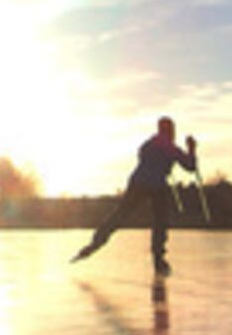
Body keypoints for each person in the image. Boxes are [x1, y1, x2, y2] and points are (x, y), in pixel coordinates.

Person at [72, 116, 198, 276]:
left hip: (138, 182)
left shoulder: (148, 144)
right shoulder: (171, 148)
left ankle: (96, 242)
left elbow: (142, 156)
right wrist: (192, 149)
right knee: (160, 221)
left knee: (121, 214)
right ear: (171, 131)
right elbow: (190, 166)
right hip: (156, 185)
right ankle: (158, 258)